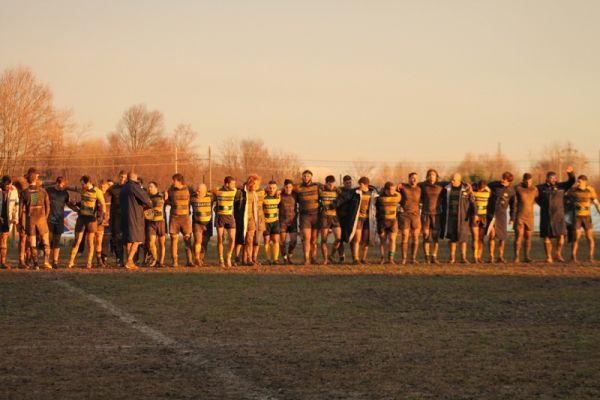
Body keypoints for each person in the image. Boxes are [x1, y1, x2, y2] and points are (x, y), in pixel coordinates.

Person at [536, 167, 575, 263]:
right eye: (552, 177)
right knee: (547, 237)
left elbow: (572, 181)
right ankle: (548, 256)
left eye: (555, 177)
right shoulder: (540, 188)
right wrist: (543, 205)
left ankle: (558, 254)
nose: (554, 179)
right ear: (547, 178)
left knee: (561, 235)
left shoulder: (561, 186)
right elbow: (536, 198)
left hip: (559, 215)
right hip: (546, 216)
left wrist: (571, 173)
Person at [67, 176, 105, 268]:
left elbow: (103, 204)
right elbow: (71, 187)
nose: (82, 186)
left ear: (88, 183)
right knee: (77, 241)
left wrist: (102, 216)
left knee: (90, 242)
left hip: (91, 219)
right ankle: (71, 262)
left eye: (83, 184)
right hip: (81, 218)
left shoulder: (97, 191)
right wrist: (64, 186)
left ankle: (89, 263)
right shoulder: (81, 189)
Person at [18, 169, 52, 269]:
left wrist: (21, 222)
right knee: (46, 241)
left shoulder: (24, 192)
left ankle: (36, 264)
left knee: (32, 243)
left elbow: (20, 210)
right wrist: (45, 217)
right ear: (36, 179)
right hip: (41, 219)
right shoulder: (43, 191)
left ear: (28, 180)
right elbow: (48, 207)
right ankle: (46, 262)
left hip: (30, 220)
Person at [120, 171, 152, 269]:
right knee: (137, 240)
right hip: (135, 216)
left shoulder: (123, 188)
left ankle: (129, 261)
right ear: (135, 178)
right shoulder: (134, 186)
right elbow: (146, 200)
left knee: (129, 240)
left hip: (125, 216)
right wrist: (149, 204)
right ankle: (129, 261)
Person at [440, 173, 475, 264]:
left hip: (463, 218)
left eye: (454, 179)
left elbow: (472, 201)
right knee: (452, 238)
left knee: (463, 238)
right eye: (451, 179)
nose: (452, 181)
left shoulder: (466, 188)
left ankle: (463, 257)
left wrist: (474, 214)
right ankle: (452, 258)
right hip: (450, 217)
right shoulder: (446, 188)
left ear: (459, 180)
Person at [567, 175, 600, 262]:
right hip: (577, 217)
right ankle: (573, 257)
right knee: (576, 237)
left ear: (585, 182)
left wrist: (599, 210)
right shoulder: (573, 190)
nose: (577, 183)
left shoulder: (590, 190)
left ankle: (590, 256)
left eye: (579, 181)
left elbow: (596, 202)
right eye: (577, 181)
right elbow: (566, 198)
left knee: (589, 237)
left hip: (587, 217)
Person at [346, 177, 378, 265]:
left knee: (366, 239)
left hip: (368, 219)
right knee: (357, 239)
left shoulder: (373, 193)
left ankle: (363, 258)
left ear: (365, 184)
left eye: (361, 184)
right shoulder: (355, 193)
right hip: (358, 219)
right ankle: (356, 259)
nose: (359, 186)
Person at [486, 172, 516, 263]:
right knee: (492, 235)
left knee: (502, 237)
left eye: (504, 179)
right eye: (502, 178)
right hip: (492, 214)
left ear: (509, 181)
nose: (502, 180)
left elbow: (513, 205)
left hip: (502, 215)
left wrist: (512, 218)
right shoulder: (494, 185)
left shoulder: (511, 191)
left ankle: (500, 256)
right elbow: (484, 187)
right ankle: (491, 256)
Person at [166, 173, 194, 267]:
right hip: (174, 218)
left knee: (187, 239)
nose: (172, 182)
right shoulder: (170, 190)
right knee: (174, 240)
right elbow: (167, 201)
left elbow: (194, 199)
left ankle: (189, 261)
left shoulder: (189, 189)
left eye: (174, 180)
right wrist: (165, 198)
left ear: (180, 181)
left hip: (185, 218)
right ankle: (175, 261)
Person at [294, 170, 321, 265]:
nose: (306, 178)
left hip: (316, 216)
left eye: (308, 176)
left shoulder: (317, 186)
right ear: (302, 177)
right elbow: (287, 188)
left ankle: (314, 258)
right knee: (306, 239)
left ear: (311, 177)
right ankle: (306, 259)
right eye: (304, 176)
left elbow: (329, 188)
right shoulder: (298, 187)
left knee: (314, 240)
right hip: (305, 217)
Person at [419, 169, 445, 264]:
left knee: (435, 237)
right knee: (426, 235)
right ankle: (426, 257)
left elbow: (454, 182)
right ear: (427, 176)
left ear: (436, 176)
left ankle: (434, 256)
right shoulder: (422, 185)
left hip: (436, 214)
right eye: (429, 175)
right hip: (425, 213)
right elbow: (411, 186)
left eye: (433, 175)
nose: (431, 176)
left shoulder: (441, 185)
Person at [213, 176, 237, 267]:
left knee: (232, 238)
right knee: (220, 239)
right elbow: (210, 192)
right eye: (232, 183)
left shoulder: (234, 191)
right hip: (220, 217)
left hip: (230, 217)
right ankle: (221, 259)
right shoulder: (217, 191)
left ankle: (228, 257)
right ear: (227, 184)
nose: (234, 185)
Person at [513, 173, 538, 263]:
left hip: (530, 217)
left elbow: (538, 199)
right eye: (526, 181)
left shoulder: (534, 189)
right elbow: (513, 198)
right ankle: (516, 257)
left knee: (528, 237)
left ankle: (527, 256)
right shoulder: (518, 188)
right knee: (519, 236)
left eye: (530, 181)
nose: (528, 183)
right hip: (520, 216)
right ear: (523, 180)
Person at [45, 177, 70, 267]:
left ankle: (55, 261)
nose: (62, 186)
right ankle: (46, 261)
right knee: (48, 240)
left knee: (57, 240)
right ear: (57, 183)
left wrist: (77, 209)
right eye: (61, 184)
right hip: (50, 219)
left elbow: (68, 203)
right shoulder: (49, 191)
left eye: (64, 185)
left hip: (60, 219)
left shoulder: (65, 193)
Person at [398, 173, 422, 264]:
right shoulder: (402, 187)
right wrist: (398, 206)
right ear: (409, 179)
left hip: (415, 215)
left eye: (416, 178)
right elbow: (394, 194)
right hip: (404, 215)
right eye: (412, 178)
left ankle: (413, 258)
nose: (414, 180)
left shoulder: (420, 189)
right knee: (405, 236)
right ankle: (404, 258)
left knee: (415, 237)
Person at [318, 175, 342, 265]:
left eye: (333, 184)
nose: (331, 185)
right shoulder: (321, 190)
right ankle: (325, 260)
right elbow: (316, 185)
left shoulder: (337, 191)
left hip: (335, 217)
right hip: (324, 217)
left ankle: (331, 255)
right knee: (324, 240)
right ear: (326, 183)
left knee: (338, 239)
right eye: (329, 184)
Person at [376, 181, 401, 264]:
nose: (393, 191)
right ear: (386, 190)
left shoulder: (397, 196)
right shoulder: (379, 198)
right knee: (382, 241)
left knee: (392, 239)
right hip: (382, 221)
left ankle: (391, 258)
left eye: (394, 189)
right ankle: (382, 258)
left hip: (393, 221)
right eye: (391, 190)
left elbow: (400, 195)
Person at [106, 171, 128, 266]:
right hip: (116, 217)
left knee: (129, 239)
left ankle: (131, 259)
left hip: (128, 217)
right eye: (121, 177)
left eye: (124, 177)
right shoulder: (113, 188)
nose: (122, 179)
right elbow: (104, 196)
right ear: (118, 177)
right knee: (117, 238)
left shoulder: (129, 188)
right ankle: (119, 259)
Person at [144, 181, 167, 267]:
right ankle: (155, 259)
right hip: (151, 222)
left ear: (156, 188)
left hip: (161, 222)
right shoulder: (146, 197)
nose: (149, 188)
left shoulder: (161, 196)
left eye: (151, 187)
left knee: (161, 243)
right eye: (149, 187)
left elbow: (159, 209)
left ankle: (161, 262)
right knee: (151, 243)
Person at [190, 183, 213, 266]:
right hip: (197, 222)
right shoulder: (192, 197)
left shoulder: (210, 197)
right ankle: (196, 258)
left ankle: (201, 259)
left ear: (205, 191)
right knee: (198, 240)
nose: (197, 192)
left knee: (205, 242)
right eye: (197, 190)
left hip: (208, 222)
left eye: (199, 191)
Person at [0, 176, 19, 269]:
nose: (8, 187)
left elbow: (16, 205)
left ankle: (3, 262)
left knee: (4, 240)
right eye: (6, 185)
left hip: (7, 218)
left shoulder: (14, 190)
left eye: (9, 185)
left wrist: (15, 217)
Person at [279, 179, 299, 265]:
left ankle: (290, 256)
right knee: (282, 241)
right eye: (286, 187)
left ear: (292, 187)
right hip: (282, 222)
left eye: (290, 187)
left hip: (293, 222)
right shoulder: (280, 195)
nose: (288, 188)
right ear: (284, 187)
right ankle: (284, 257)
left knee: (294, 241)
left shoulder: (296, 195)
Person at [470, 180, 490, 263]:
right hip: (474, 216)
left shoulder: (488, 190)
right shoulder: (473, 190)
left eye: (482, 188)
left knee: (481, 239)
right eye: (479, 188)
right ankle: (474, 256)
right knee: (475, 237)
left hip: (484, 216)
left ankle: (479, 257)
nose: (480, 190)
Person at [262, 180, 281, 265]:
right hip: (266, 222)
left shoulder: (278, 196)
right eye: (270, 188)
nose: (272, 189)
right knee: (266, 240)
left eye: (273, 188)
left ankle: (275, 259)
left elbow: (284, 189)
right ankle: (268, 259)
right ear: (267, 188)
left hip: (275, 222)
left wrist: (280, 191)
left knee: (276, 240)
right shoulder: (263, 197)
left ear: (276, 188)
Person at [337, 175, 354, 263]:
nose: (348, 184)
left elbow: (348, 197)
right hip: (340, 218)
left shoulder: (354, 191)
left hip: (350, 218)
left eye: (350, 182)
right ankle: (341, 256)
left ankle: (354, 257)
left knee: (351, 238)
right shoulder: (338, 190)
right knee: (339, 239)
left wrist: (340, 193)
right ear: (343, 183)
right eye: (347, 183)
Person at [95, 180, 111, 267]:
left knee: (106, 241)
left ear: (107, 187)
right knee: (99, 241)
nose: (102, 188)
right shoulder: (96, 196)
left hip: (108, 221)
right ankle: (99, 259)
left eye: (104, 187)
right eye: (101, 187)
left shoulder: (110, 196)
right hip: (99, 221)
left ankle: (104, 259)